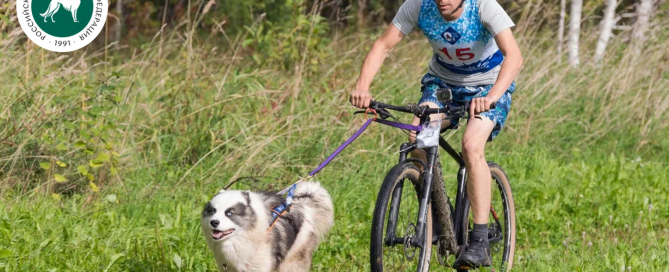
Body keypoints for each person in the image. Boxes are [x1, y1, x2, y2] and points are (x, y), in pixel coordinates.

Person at [349, 0, 522, 267]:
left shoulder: (483, 6)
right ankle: (439, 219)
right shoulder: (418, 6)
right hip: (442, 87)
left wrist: (492, 97)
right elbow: (383, 45)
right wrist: (363, 87)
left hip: (488, 87)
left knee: (471, 145)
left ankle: (479, 240)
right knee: (417, 138)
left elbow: (514, 56)